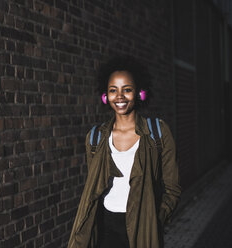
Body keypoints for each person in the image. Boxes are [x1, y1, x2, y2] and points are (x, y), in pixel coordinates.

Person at [67, 57, 181, 248]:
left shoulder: (158, 133)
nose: (120, 96)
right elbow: (95, 186)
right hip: (106, 227)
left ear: (139, 93)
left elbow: (173, 189)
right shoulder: (95, 138)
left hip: (144, 225)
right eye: (113, 90)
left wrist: (156, 219)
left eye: (127, 89)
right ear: (106, 96)